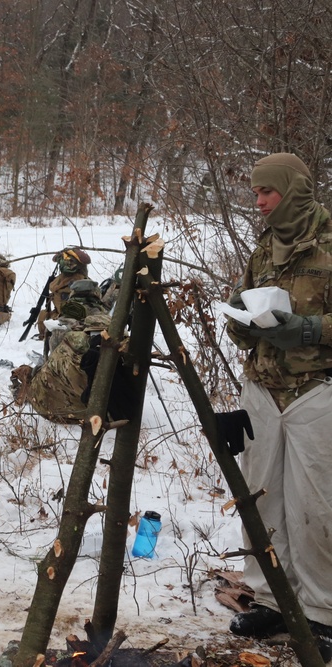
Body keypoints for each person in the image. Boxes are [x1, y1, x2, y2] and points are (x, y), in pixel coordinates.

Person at [225, 152, 332, 661]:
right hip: (263, 389)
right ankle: (269, 596)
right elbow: (241, 300)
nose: (261, 203)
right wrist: (239, 323)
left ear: (292, 189)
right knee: (261, 499)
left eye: (267, 192)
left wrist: (309, 330)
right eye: (256, 194)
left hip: (317, 389)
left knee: (317, 506)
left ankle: (323, 611)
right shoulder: (265, 247)